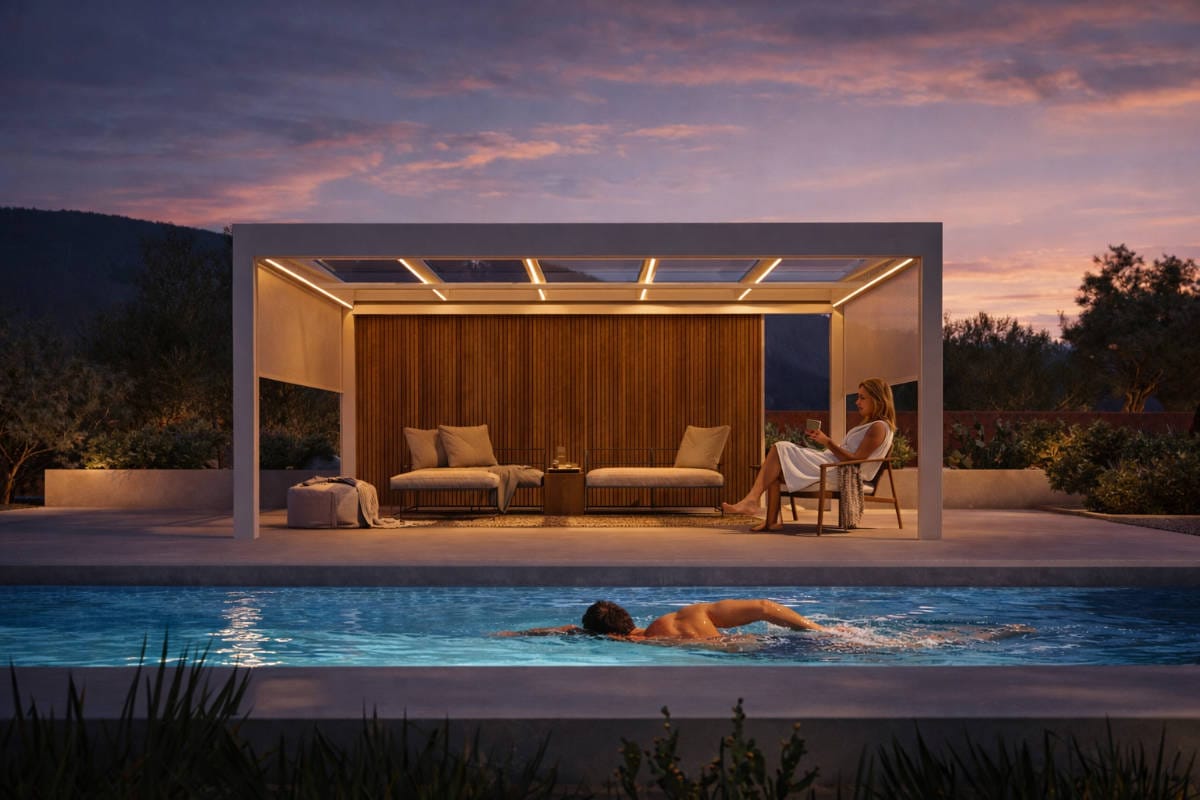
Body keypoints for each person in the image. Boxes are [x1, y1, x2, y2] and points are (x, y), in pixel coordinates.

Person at [723, 377, 897, 531]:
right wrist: (824, 443)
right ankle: (771, 522)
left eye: (862, 398)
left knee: (780, 447)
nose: (857, 402)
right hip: (833, 464)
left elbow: (856, 460)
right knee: (775, 470)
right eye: (858, 397)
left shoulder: (879, 427)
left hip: (841, 471)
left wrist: (827, 441)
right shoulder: (872, 425)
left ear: (878, 400)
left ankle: (752, 500)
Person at [496, 598, 825, 640]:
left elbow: (569, 631)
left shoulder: (641, 641)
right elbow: (766, 607)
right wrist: (816, 630)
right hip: (778, 640)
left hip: (752, 652)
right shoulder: (693, 611)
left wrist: (515, 634)